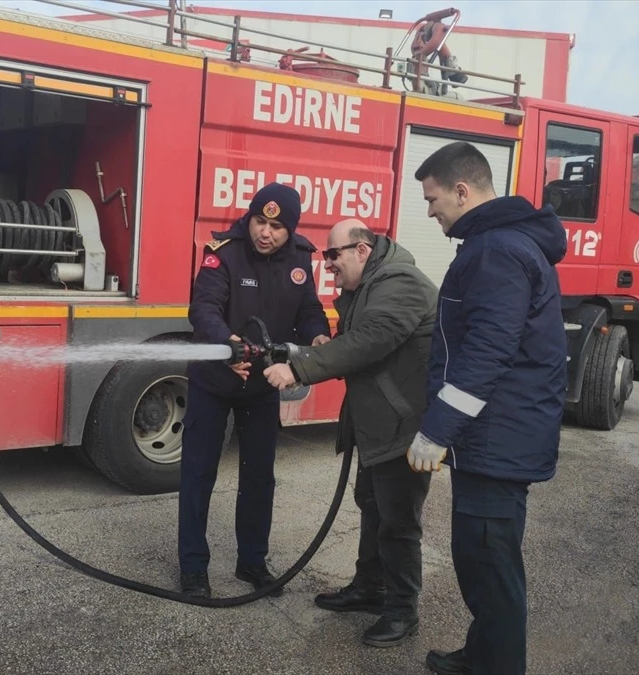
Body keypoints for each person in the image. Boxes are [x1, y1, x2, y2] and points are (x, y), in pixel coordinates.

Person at [404, 141, 568, 675]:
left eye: (433, 200)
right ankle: (484, 655)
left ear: (461, 190)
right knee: (481, 562)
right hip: (496, 437)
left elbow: (487, 353)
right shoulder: (500, 242)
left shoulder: (496, 250)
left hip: (496, 440)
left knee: (490, 566)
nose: (430, 212)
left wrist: (437, 431)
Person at [263, 218, 439, 647]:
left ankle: (401, 609)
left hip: (404, 426)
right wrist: (328, 348)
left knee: (398, 520)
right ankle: (370, 587)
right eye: (325, 256)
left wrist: (300, 368)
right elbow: (355, 340)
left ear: (362, 250)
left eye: (333, 255)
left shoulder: (400, 282)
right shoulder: (367, 286)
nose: (328, 265)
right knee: (373, 504)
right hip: (379, 422)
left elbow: (370, 341)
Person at [179, 182, 332, 599]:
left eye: (276, 227)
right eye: (259, 221)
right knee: (198, 474)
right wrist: (226, 342)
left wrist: (319, 337)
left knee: (259, 478)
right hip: (213, 382)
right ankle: (193, 568)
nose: (265, 233)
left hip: (262, 384)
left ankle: (252, 562)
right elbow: (203, 308)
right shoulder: (224, 251)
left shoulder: (301, 259)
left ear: (290, 230)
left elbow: (309, 310)